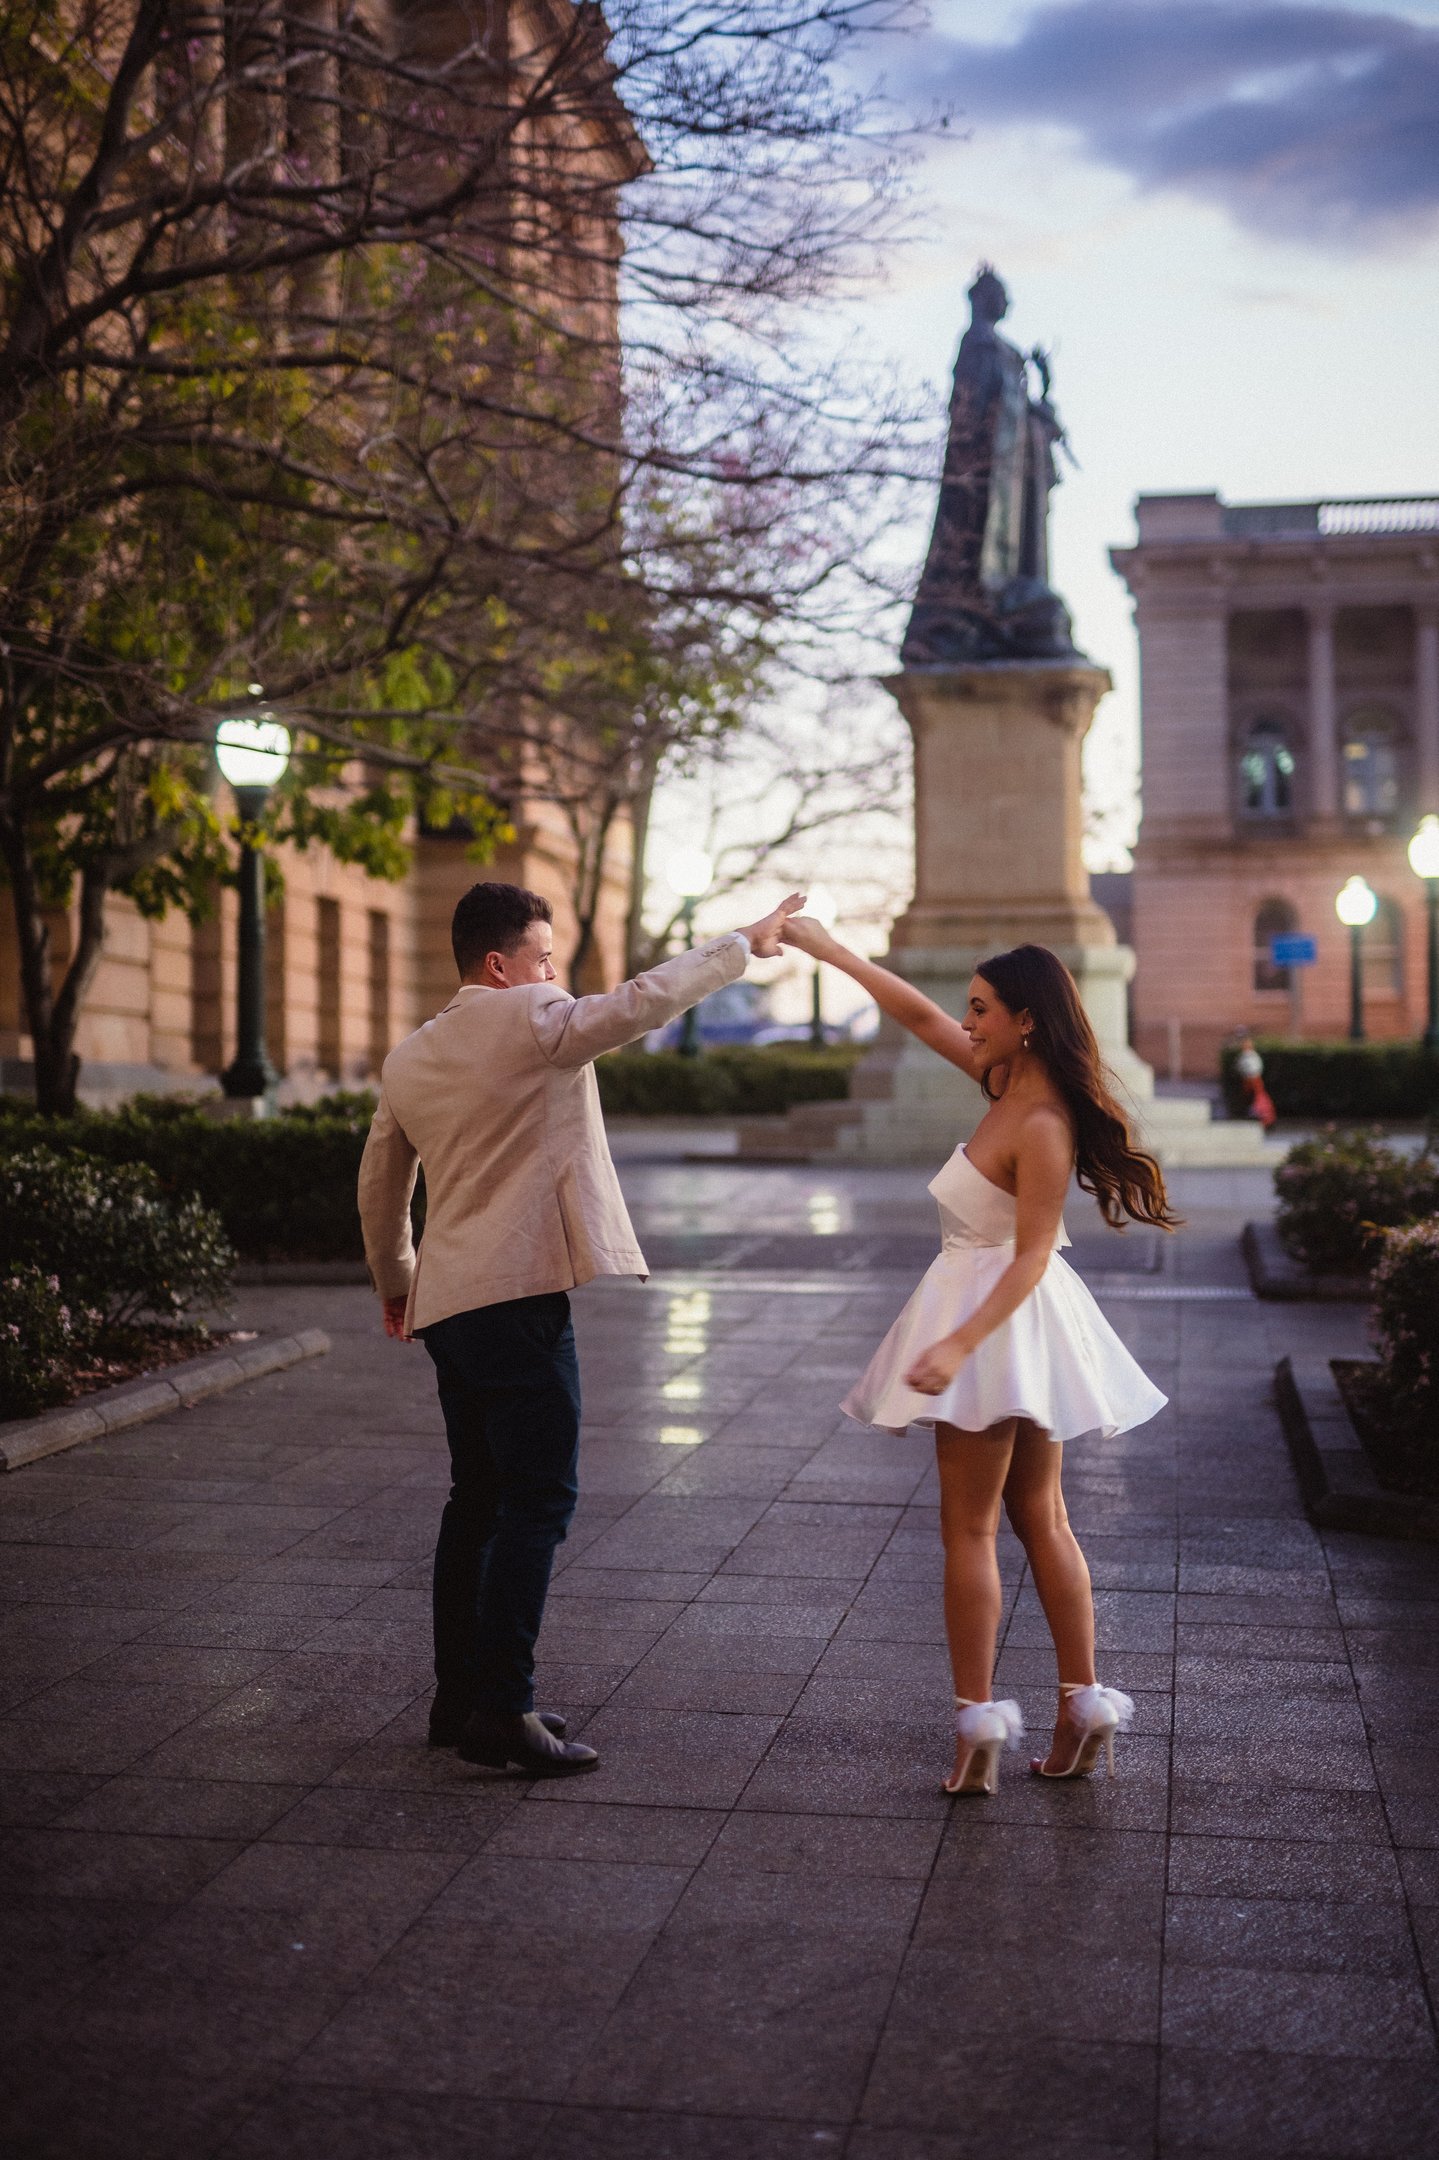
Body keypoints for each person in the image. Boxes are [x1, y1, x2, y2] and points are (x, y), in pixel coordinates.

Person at [359, 880, 803, 1779]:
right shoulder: (532, 1015)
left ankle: (460, 1698)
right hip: (518, 1298)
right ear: (502, 964)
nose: (555, 972)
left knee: (474, 1500)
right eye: (545, 954)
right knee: (539, 1501)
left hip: (449, 1303)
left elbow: (380, 1187)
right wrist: (738, 945)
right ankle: (505, 1708)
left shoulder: (409, 1056)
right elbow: (636, 1005)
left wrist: (399, 1284)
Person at [779, 922, 1175, 1795]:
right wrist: (829, 951)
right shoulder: (1002, 1083)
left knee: (971, 1527)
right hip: (1013, 1323)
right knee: (1045, 1519)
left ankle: (976, 1729)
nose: (968, 1022)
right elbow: (917, 1017)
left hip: (996, 1316)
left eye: (982, 1008)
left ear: (1025, 1019)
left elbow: (1032, 1254)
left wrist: (957, 1342)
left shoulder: (1037, 1120)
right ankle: (1081, 1707)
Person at [1231, 1029, 1276, 1129]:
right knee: (1252, 1098)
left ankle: (1264, 1117)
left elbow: (1251, 1068)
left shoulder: (1250, 1056)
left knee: (1259, 1098)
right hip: (1248, 1079)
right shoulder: (1246, 1056)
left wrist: (1250, 1075)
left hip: (1252, 1078)